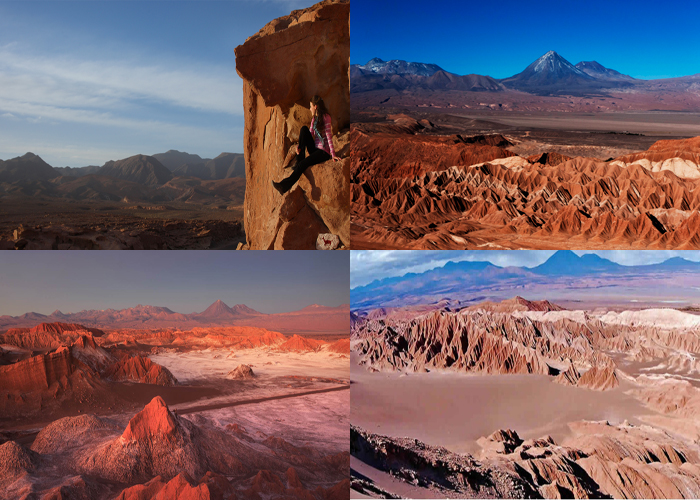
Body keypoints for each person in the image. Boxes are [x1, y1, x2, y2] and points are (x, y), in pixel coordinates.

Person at [272, 95, 341, 195]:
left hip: (323, 152)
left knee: (302, 165)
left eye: (310, 106)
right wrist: (300, 146)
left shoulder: (326, 117)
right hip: (315, 149)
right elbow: (309, 134)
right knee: (304, 129)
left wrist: (333, 154)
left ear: (315, 106)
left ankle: (283, 186)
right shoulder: (314, 119)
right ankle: (299, 158)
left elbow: (329, 137)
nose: (309, 109)